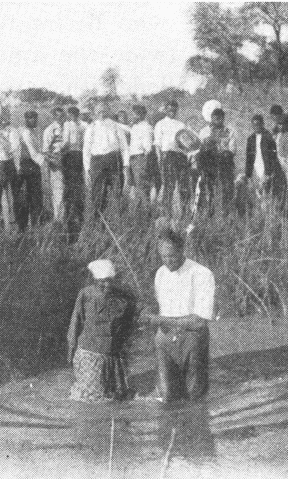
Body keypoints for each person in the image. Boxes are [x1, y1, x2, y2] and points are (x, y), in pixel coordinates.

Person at [140, 226, 215, 401]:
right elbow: (161, 307)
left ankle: (195, 424)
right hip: (165, 339)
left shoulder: (202, 274)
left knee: (195, 394)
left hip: (193, 338)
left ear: (182, 250)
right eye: (164, 257)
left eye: (172, 256)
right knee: (165, 394)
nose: (168, 261)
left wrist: (160, 319)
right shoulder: (160, 274)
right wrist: (149, 315)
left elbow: (199, 322)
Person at [67, 259, 137, 402]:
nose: (107, 285)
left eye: (110, 281)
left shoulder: (122, 297)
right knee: (91, 398)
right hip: (90, 352)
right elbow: (76, 320)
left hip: (112, 353)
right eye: (103, 282)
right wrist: (71, 347)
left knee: (116, 396)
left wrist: (125, 346)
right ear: (95, 281)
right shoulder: (86, 294)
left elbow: (128, 323)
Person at [82, 102, 129, 214]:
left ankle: (116, 219)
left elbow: (124, 147)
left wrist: (126, 164)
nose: (101, 114)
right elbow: (86, 149)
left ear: (108, 112)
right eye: (99, 112)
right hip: (97, 162)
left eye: (104, 111)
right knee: (98, 193)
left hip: (113, 160)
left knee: (116, 190)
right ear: (95, 113)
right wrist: (87, 168)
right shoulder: (91, 128)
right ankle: (99, 221)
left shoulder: (116, 126)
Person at [197, 108, 237, 214]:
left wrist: (224, 151)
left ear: (223, 118)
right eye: (215, 118)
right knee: (208, 188)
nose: (218, 120)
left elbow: (232, 150)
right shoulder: (204, 131)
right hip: (209, 164)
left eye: (220, 118)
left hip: (224, 163)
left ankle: (226, 212)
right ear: (211, 118)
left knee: (226, 188)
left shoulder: (229, 131)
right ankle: (208, 211)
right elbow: (198, 148)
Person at [243, 114, 287, 204]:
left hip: (266, 169)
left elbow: (273, 157)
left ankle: (268, 214)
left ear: (262, 124)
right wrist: (248, 174)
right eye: (254, 125)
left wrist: (268, 172)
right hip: (256, 168)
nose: (256, 127)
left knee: (267, 193)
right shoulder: (251, 139)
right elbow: (249, 158)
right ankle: (260, 214)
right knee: (257, 193)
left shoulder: (268, 137)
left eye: (258, 124)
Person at [154, 100, 189, 212]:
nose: (172, 112)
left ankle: (185, 211)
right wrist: (160, 158)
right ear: (166, 110)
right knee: (169, 185)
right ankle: (166, 213)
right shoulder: (160, 124)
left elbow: (186, 143)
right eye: (169, 110)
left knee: (184, 186)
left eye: (174, 110)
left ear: (176, 110)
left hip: (181, 156)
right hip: (167, 156)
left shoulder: (181, 125)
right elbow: (157, 144)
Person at [0, 106, 21, 232]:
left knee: (12, 196)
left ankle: (13, 224)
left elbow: (12, 149)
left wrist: (0, 136)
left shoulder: (12, 131)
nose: (2, 120)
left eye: (4, 116)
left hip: (9, 164)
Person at [16, 110, 45, 232]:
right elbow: (33, 152)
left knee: (33, 196)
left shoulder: (34, 131)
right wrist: (44, 163)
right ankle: (25, 226)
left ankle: (33, 224)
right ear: (27, 119)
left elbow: (38, 149)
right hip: (25, 166)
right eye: (32, 119)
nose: (35, 121)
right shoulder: (25, 132)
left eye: (35, 119)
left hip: (30, 165)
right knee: (27, 197)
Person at [62, 106, 87, 230]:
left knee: (70, 184)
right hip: (80, 154)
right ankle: (78, 210)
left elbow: (66, 142)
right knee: (78, 182)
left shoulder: (68, 124)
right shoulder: (84, 125)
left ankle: (71, 212)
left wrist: (58, 151)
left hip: (71, 154)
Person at [42, 107, 67, 221]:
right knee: (58, 192)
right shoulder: (50, 130)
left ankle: (67, 217)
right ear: (54, 117)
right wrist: (55, 161)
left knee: (68, 191)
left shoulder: (67, 127)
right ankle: (58, 219)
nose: (62, 118)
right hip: (57, 162)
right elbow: (45, 151)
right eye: (59, 116)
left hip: (69, 161)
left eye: (63, 115)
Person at [129, 104, 155, 201]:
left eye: (138, 114)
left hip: (141, 158)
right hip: (133, 158)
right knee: (136, 186)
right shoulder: (135, 126)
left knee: (142, 186)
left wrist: (144, 161)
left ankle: (146, 213)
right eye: (134, 114)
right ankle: (140, 212)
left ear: (143, 115)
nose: (135, 116)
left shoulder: (146, 127)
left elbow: (148, 147)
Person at [275, 113, 288, 186]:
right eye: (279, 124)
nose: (280, 126)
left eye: (282, 124)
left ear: (287, 124)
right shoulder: (278, 135)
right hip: (280, 163)